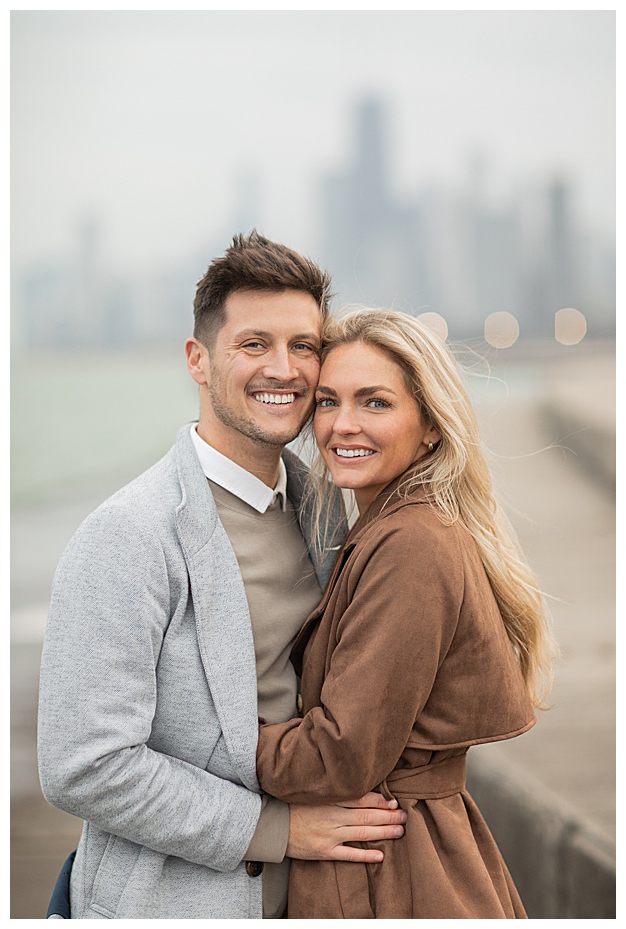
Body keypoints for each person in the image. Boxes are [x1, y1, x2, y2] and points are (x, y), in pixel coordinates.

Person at [37, 233, 407, 918]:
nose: (284, 369)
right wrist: (278, 830)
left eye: (303, 345)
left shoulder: (326, 515)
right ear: (199, 361)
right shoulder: (130, 534)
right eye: (254, 344)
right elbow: (81, 763)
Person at [255, 308, 550, 917]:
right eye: (329, 401)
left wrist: (207, 743)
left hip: (396, 873)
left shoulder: (411, 545)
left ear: (431, 427)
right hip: (399, 851)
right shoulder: (390, 524)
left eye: (376, 403)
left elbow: (338, 754)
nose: (343, 425)